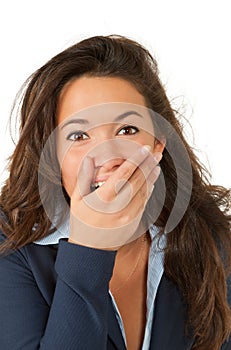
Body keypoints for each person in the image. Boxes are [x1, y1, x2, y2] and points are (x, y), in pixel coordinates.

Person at [0, 35, 230, 350]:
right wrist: (89, 249)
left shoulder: (208, 235)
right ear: (52, 158)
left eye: (127, 130)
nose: (108, 155)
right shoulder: (9, 246)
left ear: (159, 143)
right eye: (79, 135)